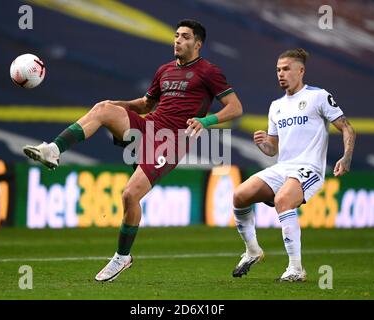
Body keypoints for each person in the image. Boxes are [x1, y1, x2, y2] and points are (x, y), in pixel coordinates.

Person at [23, 19, 243, 282]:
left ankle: (122, 257)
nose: (177, 41)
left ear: (198, 44)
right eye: (176, 35)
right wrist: (116, 105)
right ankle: (53, 150)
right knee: (103, 109)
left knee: (130, 195)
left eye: (184, 37)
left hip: (171, 140)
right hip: (148, 127)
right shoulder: (164, 71)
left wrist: (206, 121)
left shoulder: (209, 72)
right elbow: (144, 105)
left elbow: (235, 107)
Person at [231, 48, 356, 282]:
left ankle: (296, 269)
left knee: (283, 201)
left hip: (309, 168)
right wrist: (263, 144)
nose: (281, 74)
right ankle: (252, 251)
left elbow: (347, 127)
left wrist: (346, 157)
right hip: (283, 167)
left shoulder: (318, 96)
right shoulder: (276, 106)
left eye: (286, 69)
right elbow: (273, 149)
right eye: (278, 70)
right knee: (240, 195)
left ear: (301, 71)